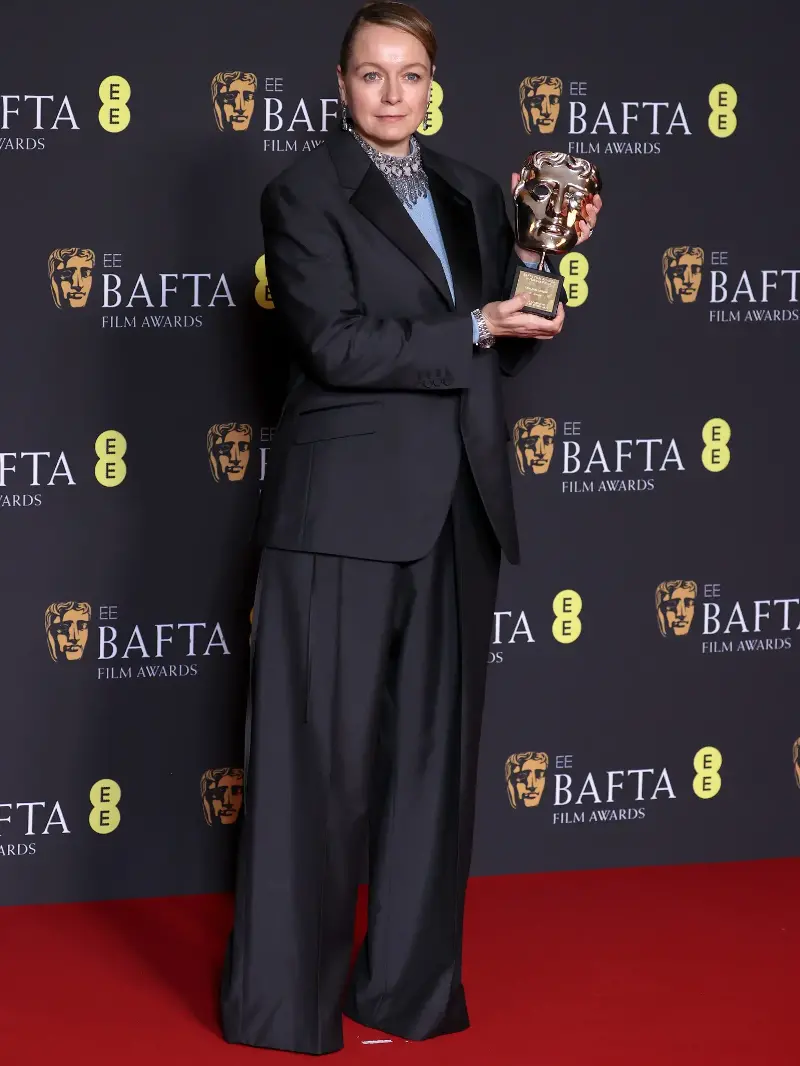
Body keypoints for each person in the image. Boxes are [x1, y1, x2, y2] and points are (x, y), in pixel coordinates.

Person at [221, 2, 600, 1055]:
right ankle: (282, 1008)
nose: (393, 93)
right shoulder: (301, 192)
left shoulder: (476, 190)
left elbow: (501, 346)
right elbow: (336, 346)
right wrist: (476, 322)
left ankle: (407, 990)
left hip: (460, 505)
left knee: (435, 767)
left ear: (434, 85)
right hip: (341, 511)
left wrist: (544, 258)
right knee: (313, 768)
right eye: (372, 73)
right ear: (339, 83)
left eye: (412, 74)